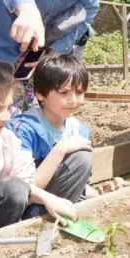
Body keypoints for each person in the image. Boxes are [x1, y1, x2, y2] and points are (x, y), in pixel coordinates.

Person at [0, 60, 77, 232]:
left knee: (17, 188)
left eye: (8, 108)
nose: (5, 117)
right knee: (14, 189)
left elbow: (25, 181)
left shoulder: (5, 141)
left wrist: (47, 198)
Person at [7, 55, 93, 213]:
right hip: (25, 208)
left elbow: (75, 181)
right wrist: (61, 149)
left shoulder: (80, 130)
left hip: (62, 203)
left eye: (80, 92)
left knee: (82, 158)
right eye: (64, 93)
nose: (73, 100)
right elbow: (23, 188)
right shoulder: (23, 129)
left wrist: (97, 192)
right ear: (40, 94)